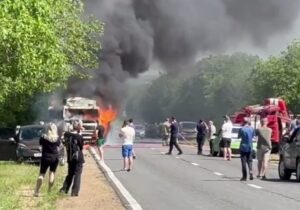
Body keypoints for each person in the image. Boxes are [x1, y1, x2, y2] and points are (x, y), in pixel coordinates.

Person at [34, 123, 61, 197]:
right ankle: (49, 190)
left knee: (42, 173)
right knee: (52, 173)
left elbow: (40, 143)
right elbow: (59, 145)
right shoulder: (57, 138)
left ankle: (37, 191)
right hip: (54, 157)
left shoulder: (43, 137)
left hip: (45, 157)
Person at [59, 122, 85, 196]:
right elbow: (81, 146)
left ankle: (64, 189)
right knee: (77, 174)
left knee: (70, 174)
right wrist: (80, 133)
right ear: (78, 127)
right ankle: (74, 192)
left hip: (70, 157)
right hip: (78, 157)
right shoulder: (78, 136)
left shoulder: (66, 135)